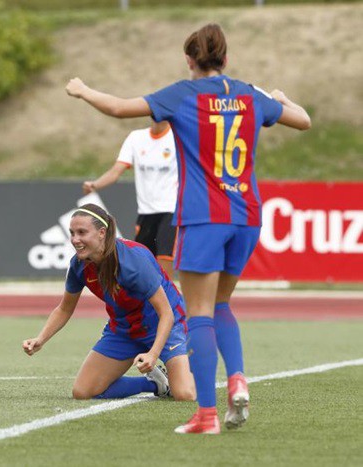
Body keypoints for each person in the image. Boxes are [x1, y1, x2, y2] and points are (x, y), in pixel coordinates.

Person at [66, 24, 311, 434]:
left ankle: (207, 415)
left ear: (189, 60)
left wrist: (83, 89)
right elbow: (302, 121)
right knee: (222, 305)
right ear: (226, 59)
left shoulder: (184, 94)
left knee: (199, 312)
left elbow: (119, 108)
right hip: (248, 215)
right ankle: (236, 378)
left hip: (204, 217)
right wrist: (282, 99)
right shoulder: (250, 94)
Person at [22, 203, 196, 403]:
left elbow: (166, 313)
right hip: (124, 329)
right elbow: (64, 308)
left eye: (81, 232)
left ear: (101, 233)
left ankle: (190, 362)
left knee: (184, 394)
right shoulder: (78, 265)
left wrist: (153, 354)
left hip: (164, 325)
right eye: (72, 233)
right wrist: (40, 339)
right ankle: (156, 383)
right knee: (83, 392)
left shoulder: (133, 261)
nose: (74, 240)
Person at [83, 120, 178, 280]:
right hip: (146, 212)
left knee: (164, 257)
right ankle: (145, 300)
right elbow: (116, 171)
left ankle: (167, 299)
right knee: (142, 260)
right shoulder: (136, 138)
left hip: (171, 209)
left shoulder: (177, 138)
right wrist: (95, 184)